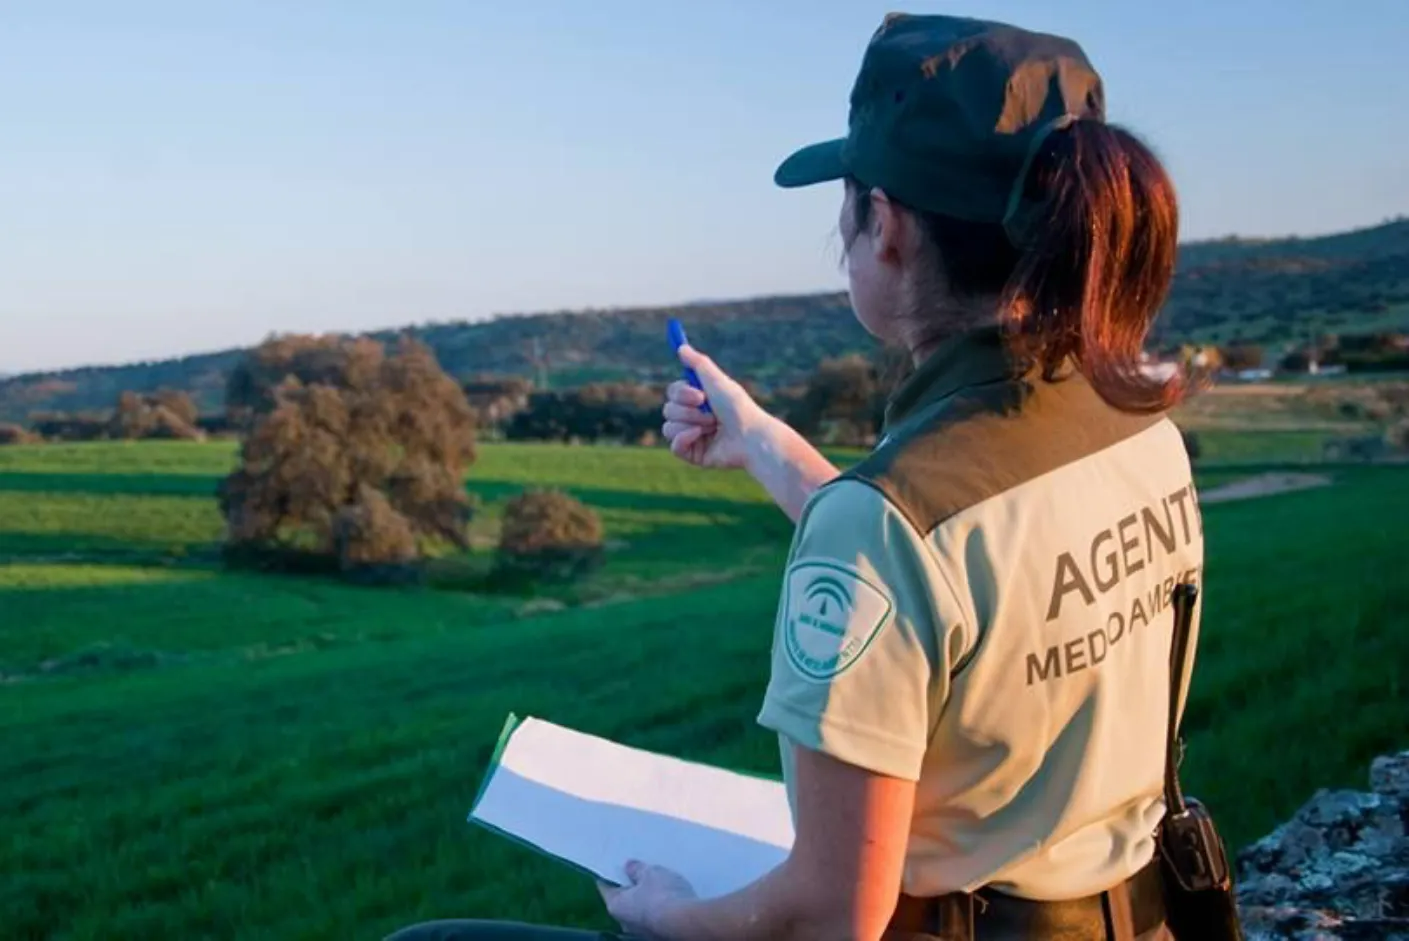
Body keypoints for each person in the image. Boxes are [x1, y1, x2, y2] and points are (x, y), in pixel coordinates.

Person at [387, 11, 1205, 941]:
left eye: (848, 206)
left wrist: (669, 914)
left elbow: (829, 916)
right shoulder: (1137, 421)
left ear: (886, 225)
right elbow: (955, 578)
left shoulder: (885, 525)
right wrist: (762, 440)